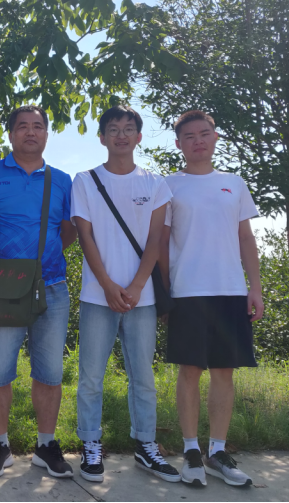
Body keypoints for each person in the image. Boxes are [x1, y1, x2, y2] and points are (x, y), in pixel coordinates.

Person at [71, 106, 179, 484]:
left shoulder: (155, 184)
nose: (121, 135)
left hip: (141, 298)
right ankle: (90, 444)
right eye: (113, 129)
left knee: (143, 377)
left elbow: (156, 241)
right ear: (101, 137)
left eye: (128, 129)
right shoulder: (85, 181)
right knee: (90, 377)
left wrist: (135, 286)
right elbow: (85, 236)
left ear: (138, 137)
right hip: (96, 296)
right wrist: (107, 284)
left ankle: (146, 445)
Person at [159, 110, 264, 488]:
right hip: (187, 291)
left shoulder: (234, 183)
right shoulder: (168, 185)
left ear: (215, 137)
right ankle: (191, 450)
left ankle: (217, 452)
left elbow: (245, 238)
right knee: (189, 371)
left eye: (204, 134)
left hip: (230, 291)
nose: (198, 141)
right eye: (189, 136)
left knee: (224, 372)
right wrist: (165, 293)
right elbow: (161, 244)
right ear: (179, 144)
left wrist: (255, 288)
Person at [0, 105, 78, 479]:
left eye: (38, 126)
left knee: (50, 372)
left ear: (47, 134)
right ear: (11, 134)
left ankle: (46, 446)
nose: (31, 132)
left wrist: (38, 261)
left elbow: (69, 230)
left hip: (51, 287)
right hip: (1, 288)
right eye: (23, 126)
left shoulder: (62, 180)